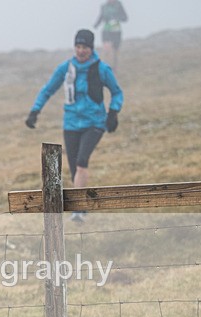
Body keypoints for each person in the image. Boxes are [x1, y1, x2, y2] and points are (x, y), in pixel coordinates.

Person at [25, 29, 123, 223]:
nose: (80, 51)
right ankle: (83, 205)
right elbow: (48, 89)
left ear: (91, 48)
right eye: (78, 46)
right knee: (73, 166)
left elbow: (117, 92)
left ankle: (78, 211)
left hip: (95, 122)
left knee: (81, 161)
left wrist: (113, 112)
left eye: (84, 47)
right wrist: (35, 111)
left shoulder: (102, 69)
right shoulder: (66, 68)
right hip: (71, 123)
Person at [94, 0, 128, 70]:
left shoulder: (119, 5)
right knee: (107, 49)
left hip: (116, 31)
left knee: (115, 51)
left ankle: (114, 67)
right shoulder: (104, 7)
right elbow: (101, 16)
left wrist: (117, 19)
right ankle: (105, 67)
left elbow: (125, 18)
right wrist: (96, 24)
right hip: (106, 30)